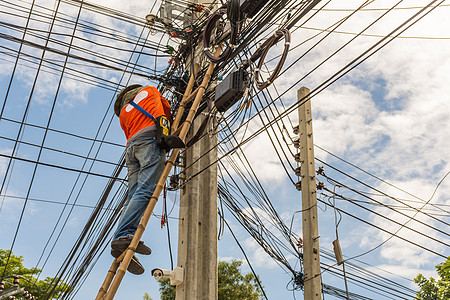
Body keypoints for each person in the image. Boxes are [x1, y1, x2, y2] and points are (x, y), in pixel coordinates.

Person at [112, 84, 172, 275]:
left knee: (134, 194)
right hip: (149, 140)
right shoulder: (150, 91)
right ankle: (123, 236)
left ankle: (123, 236)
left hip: (131, 148)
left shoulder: (123, 113)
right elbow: (167, 110)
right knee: (146, 190)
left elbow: (129, 133)